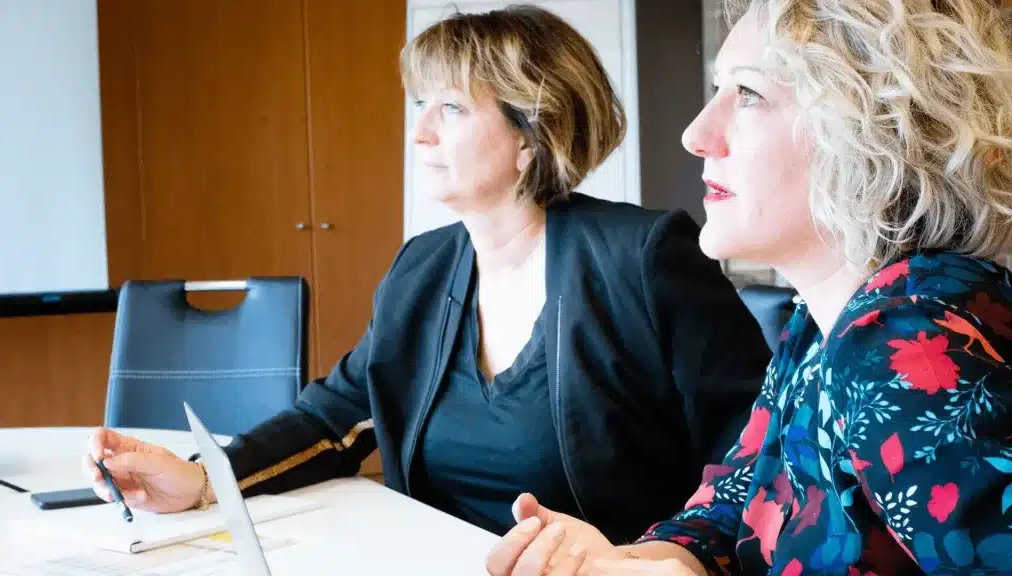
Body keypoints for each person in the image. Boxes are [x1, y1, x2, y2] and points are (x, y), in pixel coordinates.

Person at [82, 5, 770, 545]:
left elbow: (756, 445)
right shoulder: (423, 267)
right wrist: (204, 481)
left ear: (531, 132)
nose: (419, 135)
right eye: (420, 107)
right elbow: (337, 417)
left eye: (450, 108)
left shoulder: (641, 256)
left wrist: (664, 556)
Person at [486, 0, 1012, 574]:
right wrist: (639, 562)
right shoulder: (820, 323)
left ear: (875, 130)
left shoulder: (901, 335)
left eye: (748, 94)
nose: (695, 134)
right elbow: (734, 505)